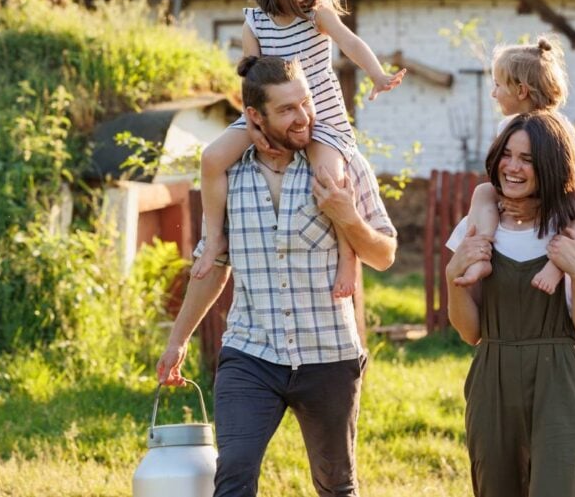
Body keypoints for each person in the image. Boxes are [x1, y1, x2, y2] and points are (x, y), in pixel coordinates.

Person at [157, 55, 397, 497]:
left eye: (305, 103)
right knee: (233, 476)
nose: (303, 116)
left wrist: (348, 218)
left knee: (336, 485)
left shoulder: (342, 163)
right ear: (254, 116)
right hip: (251, 352)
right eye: (287, 110)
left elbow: (383, 254)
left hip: (328, 354)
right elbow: (212, 267)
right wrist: (177, 340)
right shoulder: (229, 173)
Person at [191, 0, 406, 303]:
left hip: (322, 118)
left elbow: (351, 43)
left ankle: (347, 256)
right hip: (268, 114)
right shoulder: (254, 22)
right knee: (211, 158)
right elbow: (251, 81)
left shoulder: (317, 14)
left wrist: (376, 74)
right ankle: (214, 237)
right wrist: (253, 126)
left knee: (330, 178)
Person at [446, 111, 575, 497]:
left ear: (551, 167)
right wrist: (453, 276)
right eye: (507, 154)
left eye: (528, 159)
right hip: (493, 379)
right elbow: (470, 332)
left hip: (560, 383)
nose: (512, 167)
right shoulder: (476, 224)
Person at [457, 36, 575, 293]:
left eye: (498, 85)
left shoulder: (558, 128)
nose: (493, 93)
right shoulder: (507, 126)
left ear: (521, 90)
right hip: (530, 196)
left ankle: (558, 264)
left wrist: (540, 203)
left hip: (566, 197)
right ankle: (483, 252)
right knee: (483, 191)